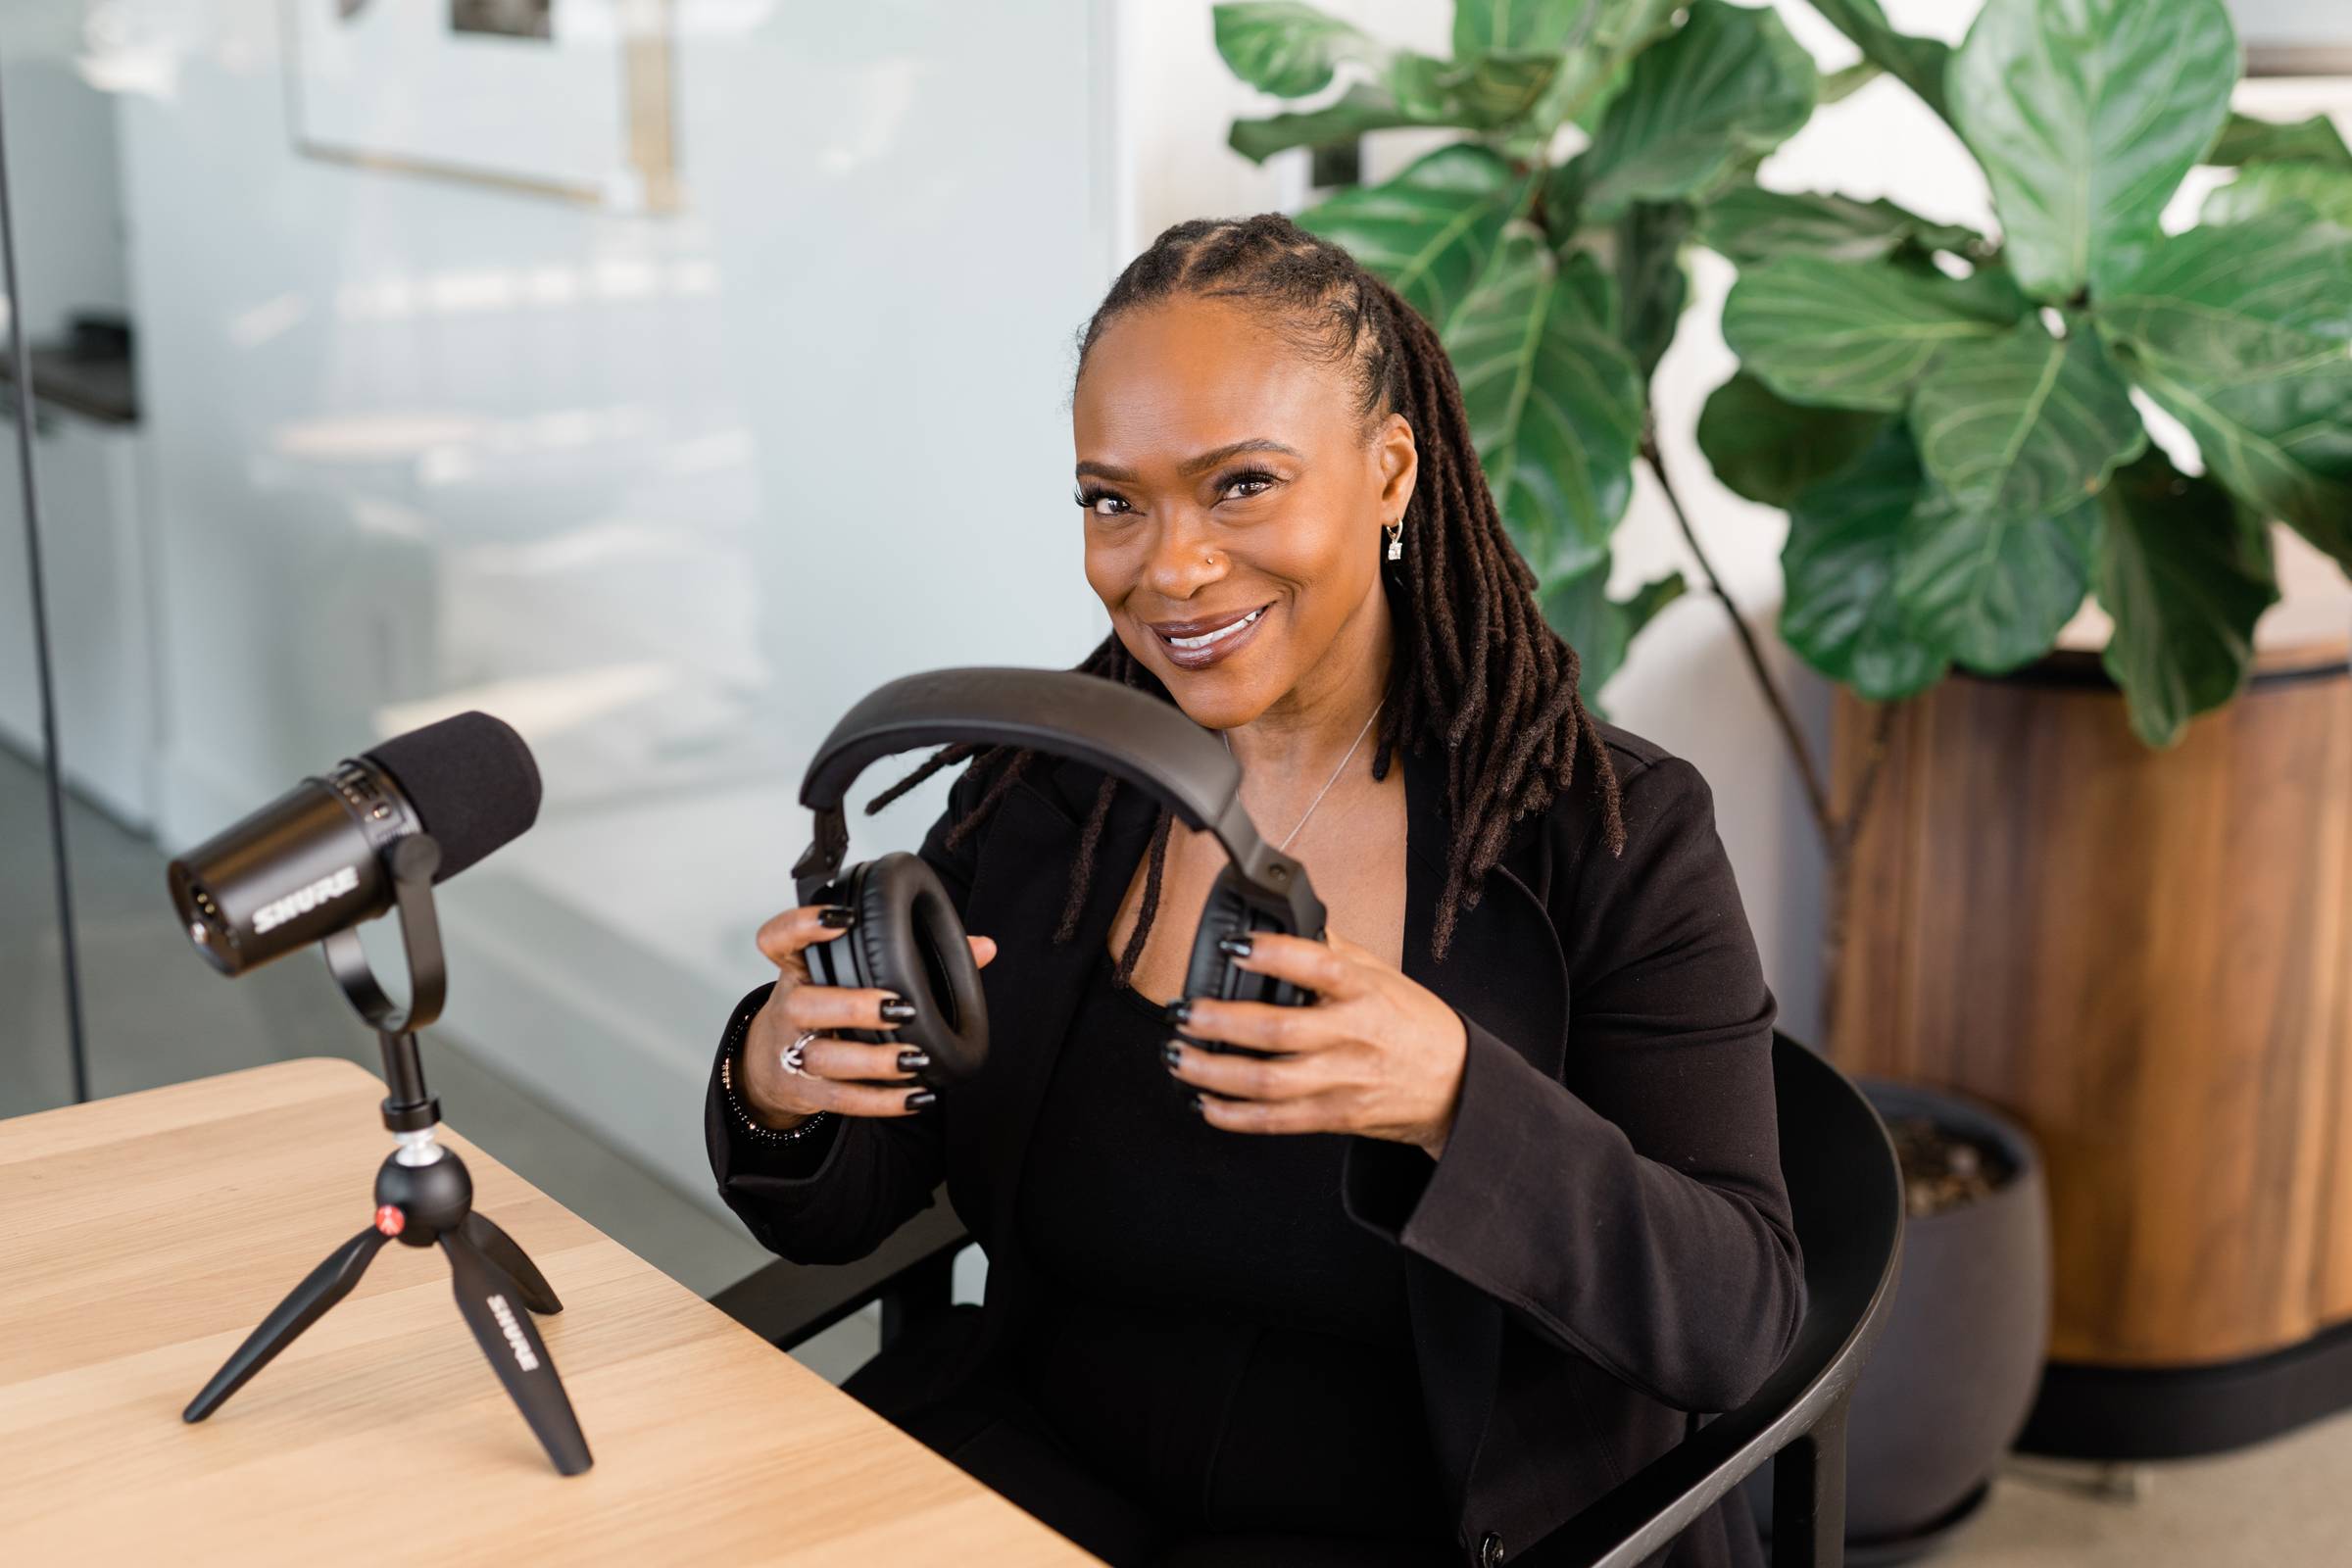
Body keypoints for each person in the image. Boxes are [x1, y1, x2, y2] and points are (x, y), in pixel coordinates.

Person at [706, 213, 1803, 1568]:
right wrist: (785, 1076)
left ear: (1390, 472)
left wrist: (1455, 1098)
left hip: (1432, 1525)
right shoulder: (1050, 787)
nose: (1170, 568)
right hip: (1043, 1464)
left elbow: (1736, 1320)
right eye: (1114, 501)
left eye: (1242, 485)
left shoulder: (1610, 832)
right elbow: (847, 1207)